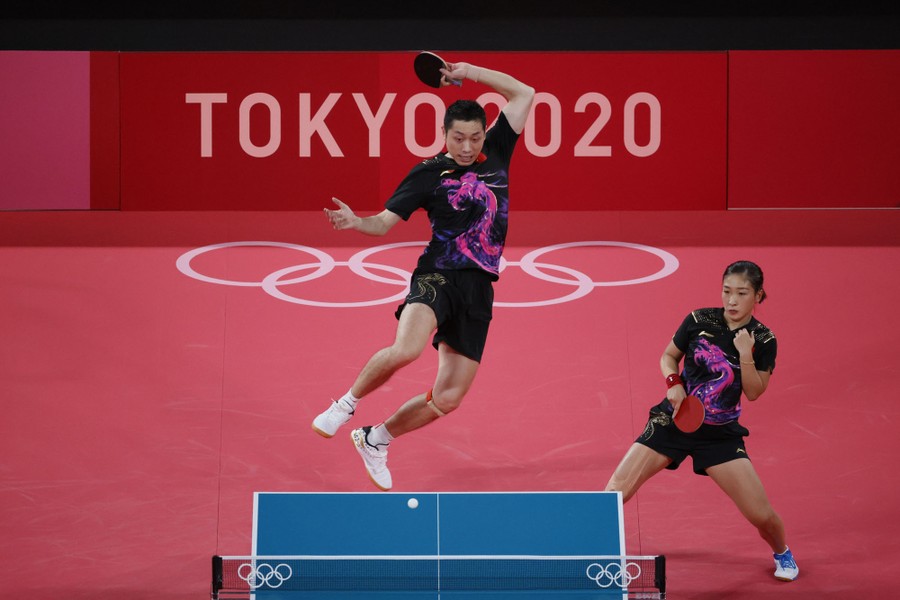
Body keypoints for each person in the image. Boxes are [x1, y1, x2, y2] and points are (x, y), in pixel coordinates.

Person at [312, 58, 535, 491]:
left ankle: (376, 439)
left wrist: (466, 70)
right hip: (438, 275)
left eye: (474, 137)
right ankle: (345, 404)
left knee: (448, 398)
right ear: (444, 135)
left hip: (479, 287)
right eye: (458, 138)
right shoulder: (428, 173)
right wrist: (356, 222)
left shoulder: (500, 147)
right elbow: (382, 222)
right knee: (407, 349)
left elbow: (524, 92)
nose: (467, 147)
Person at [604, 260, 799, 582]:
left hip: (720, 434)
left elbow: (754, 392)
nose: (732, 301)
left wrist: (745, 353)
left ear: (758, 295)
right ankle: (586, 546)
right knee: (614, 492)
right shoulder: (698, 320)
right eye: (727, 292)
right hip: (674, 420)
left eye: (742, 293)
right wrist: (673, 384)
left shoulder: (764, 339)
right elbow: (668, 356)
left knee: (761, 515)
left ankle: (782, 551)